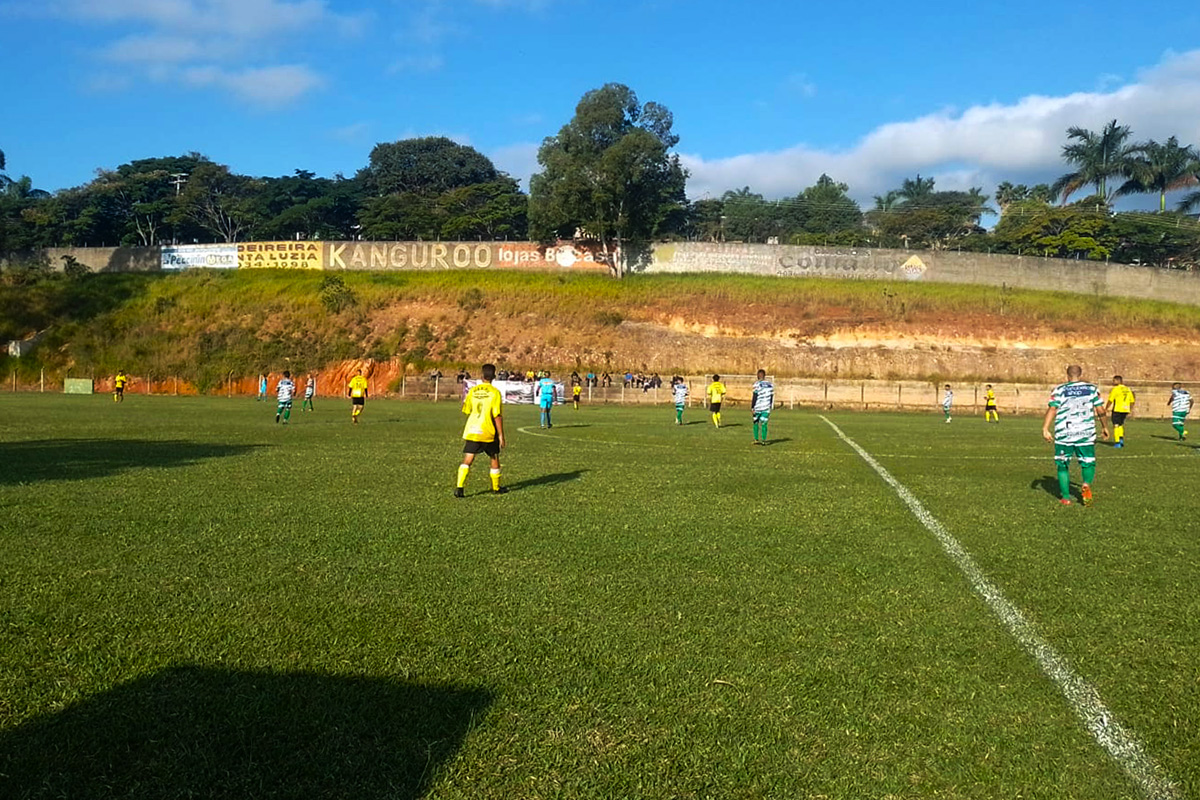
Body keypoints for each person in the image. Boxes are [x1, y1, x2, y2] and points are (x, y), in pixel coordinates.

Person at [1043, 364, 1109, 506]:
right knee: (1087, 462)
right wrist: (1105, 426)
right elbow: (1100, 409)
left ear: (1067, 375)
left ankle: (1066, 497)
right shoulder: (1091, 389)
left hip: (1064, 433)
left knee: (1062, 465)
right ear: (1080, 374)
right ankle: (1085, 484)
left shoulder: (1059, 390)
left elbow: (1052, 408)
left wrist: (1045, 428)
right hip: (1085, 432)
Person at [455, 363, 507, 497]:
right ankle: (496, 488)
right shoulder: (495, 393)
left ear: (481, 375)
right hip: (488, 430)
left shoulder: (473, 391)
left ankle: (459, 487)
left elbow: (466, 409)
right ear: (494, 376)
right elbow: (497, 415)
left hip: (473, 429)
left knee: (468, 459)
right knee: (494, 457)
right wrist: (501, 435)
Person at [1106, 375, 1135, 448]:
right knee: (1120, 424)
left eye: (1114, 380)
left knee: (1116, 425)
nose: (1113, 382)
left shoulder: (1115, 389)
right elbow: (1132, 401)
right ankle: (1121, 439)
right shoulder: (1128, 389)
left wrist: (1106, 408)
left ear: (1118, 381)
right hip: (1125, 409)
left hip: (1117, 409)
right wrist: (1130, 409)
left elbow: (1110, 400)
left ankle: (1117, 442)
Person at [751, 369, 775, 445]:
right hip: (766, 407)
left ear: (758, 375)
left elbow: (755, 396)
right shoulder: (770, 385)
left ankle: (756, 439)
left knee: (755, 422)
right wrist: (770, 405)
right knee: (764, 423)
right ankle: (764, 440)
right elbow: (771, 396)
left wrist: (752, 407)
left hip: (758, 406)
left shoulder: (756, 384)